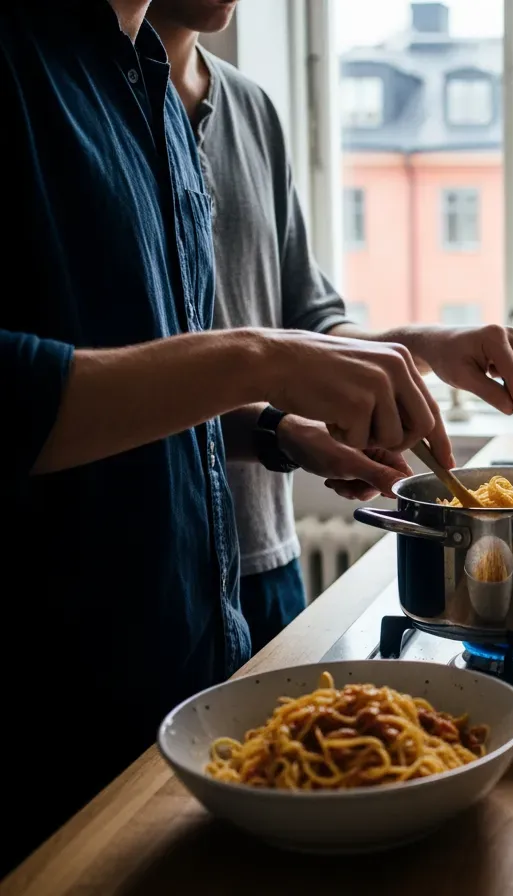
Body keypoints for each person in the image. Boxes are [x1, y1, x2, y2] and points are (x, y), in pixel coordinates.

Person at [0, 0, 444, 872]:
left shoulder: (150, 90)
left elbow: (143, 392)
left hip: (193, 661)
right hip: (48, 715)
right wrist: (252, 358)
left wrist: (275, 431)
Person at [144, 0, 513, 653]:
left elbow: (307, 321)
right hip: (148, 571)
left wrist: (422, 345)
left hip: (262, 556)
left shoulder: (251, 107)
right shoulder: (73, 105)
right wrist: (276, 418)